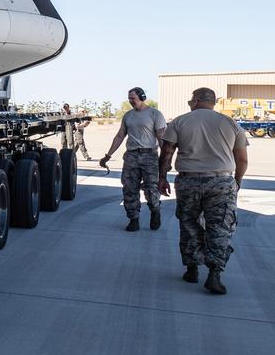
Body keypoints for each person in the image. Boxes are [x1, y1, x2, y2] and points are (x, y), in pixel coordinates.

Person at [158, 87, 248, 295]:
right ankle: (214, 274)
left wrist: (162, 178)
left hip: (189, 181)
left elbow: (166, 153)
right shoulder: (230, 123)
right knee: (220, 228)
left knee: (189, 224)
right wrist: (237, 181)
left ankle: (192, 269)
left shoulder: (179, 122)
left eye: (192, 99)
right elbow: (242, 159)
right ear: (213, 102)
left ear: (196, 100)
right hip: (221, 182)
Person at [100, 87, 167, 231]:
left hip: (150, 155)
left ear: (142, 97)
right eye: (129, 98)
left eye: (133, 98)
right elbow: (119, 136)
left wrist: (165, 161)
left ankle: (155, 211)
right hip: (131, 156)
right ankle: (133, 219)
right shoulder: (128, 116)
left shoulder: (155, 114)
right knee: (129, 188)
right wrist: (108, 155)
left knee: (151, 189)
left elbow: (162, 138)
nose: (130, 101)